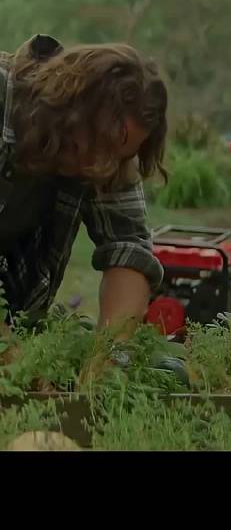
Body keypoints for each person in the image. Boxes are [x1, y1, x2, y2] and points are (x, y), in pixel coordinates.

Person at [0, 34, 168, 338]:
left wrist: (111, 358)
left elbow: (127, 246)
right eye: (102, 144)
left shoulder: (107, 158)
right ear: (71, 103)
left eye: (119, 156)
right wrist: (10, 354)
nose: (103, 166)